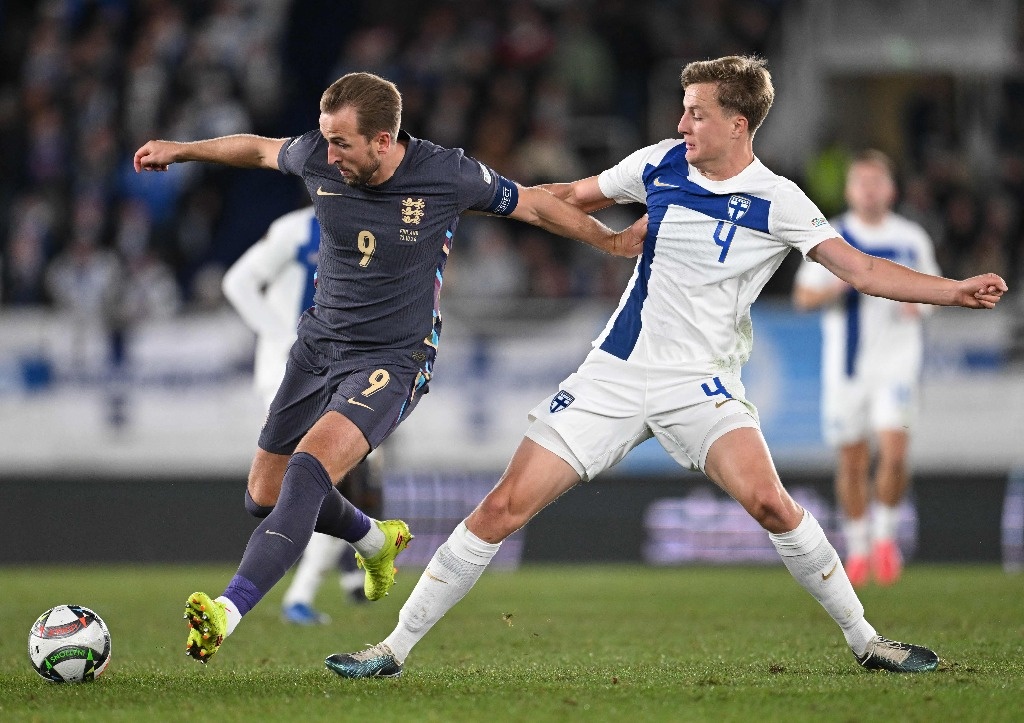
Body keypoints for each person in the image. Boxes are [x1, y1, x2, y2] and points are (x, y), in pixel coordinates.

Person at [325, 56, 1007, 679]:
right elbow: (570, 193)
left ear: (738, 125)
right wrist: (468, 196)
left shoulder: (779, 200)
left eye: (697, 113)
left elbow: (858, 268)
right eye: (683, 110)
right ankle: (392, 648)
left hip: (700, 386)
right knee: (502, 507)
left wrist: (951, 290)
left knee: (772, 503)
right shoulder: (659, 163)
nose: (682, 123)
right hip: (613, 374)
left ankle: (866, 640)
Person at [133, 72, 646, 663]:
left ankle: (226, 610)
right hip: (316, 347)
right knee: (263, 494)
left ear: (383, 140)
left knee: (307, 473)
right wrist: (182, 149)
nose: (328, 154)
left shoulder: (446, 174)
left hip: (391, 361)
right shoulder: (317, 158)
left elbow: (532, 204)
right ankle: (376, 539)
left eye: (342, 143)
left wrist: (609, 244)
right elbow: (256, 148)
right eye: (325, 139)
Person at [221, 205, 379, 625]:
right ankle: (336, 571)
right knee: (310, 482)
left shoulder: (377, 221)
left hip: (344, 372)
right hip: (289, 376)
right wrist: (286, 336)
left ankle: (312, 588)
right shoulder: (296, 229)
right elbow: (238, 282)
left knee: (333, 480)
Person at [792, 150, 940, 587]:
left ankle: (885, 538)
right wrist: (836, 289)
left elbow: (932, 289)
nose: (870, 190)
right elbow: (803, 297)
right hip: (847, 370)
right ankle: (857, 547)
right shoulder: (832, 236)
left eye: (877, 181)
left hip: (896, 363)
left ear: (890, 189)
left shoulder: (911, 238)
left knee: (895, 452)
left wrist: (919, 304)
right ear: (849, 189)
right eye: (862, 182)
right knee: (852, 460)